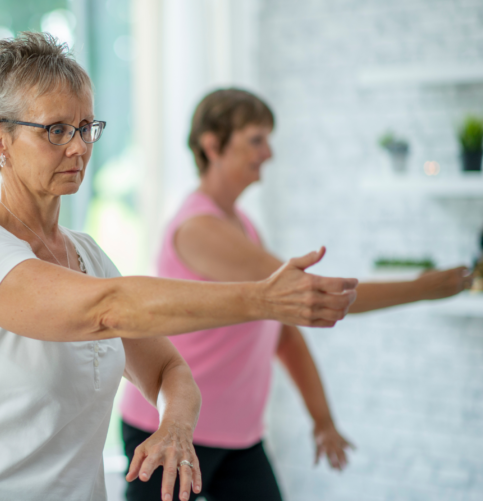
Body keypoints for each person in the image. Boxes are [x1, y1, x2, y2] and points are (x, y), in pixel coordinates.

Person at [0, 32, 361, 501]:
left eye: (85, 127)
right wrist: (262, 298)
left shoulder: (86, 254)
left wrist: (174, 425)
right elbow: (109, 309)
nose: (78, 147)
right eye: (55, 130)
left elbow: (170, 368)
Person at [119, 88, 474, 501]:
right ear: (212, 145)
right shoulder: (199, 229)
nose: (268, 153)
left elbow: (282, 334)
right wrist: (423, 288)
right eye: (256, 139)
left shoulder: (242, 226)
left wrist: (321, 420)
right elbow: (316, 296)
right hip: (166, 429)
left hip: (237, 436)